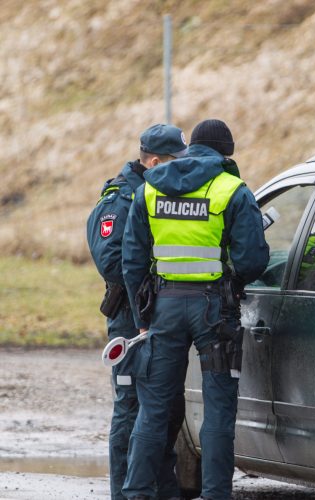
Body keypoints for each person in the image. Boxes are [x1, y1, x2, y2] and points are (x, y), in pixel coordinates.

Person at [121, 119, 270, 500]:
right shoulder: (231, 189)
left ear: (191, 149)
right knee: (218, 408)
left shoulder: (149, 189)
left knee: (153, 409)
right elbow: (253, 260)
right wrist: (232, 282)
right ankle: (215, 494)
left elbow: (132, 261)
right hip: (213, 310)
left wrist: (143, 321)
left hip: (164, 310)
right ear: (226, 153)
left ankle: (137, 493)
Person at [86, 124, 189, 500]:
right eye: (177, 162)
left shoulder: (157, 194)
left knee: (164, 410)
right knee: (131, 410)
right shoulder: (121, 199)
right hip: (130, 318)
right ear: (156, 161)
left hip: (160, 315)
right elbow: (112, 262)